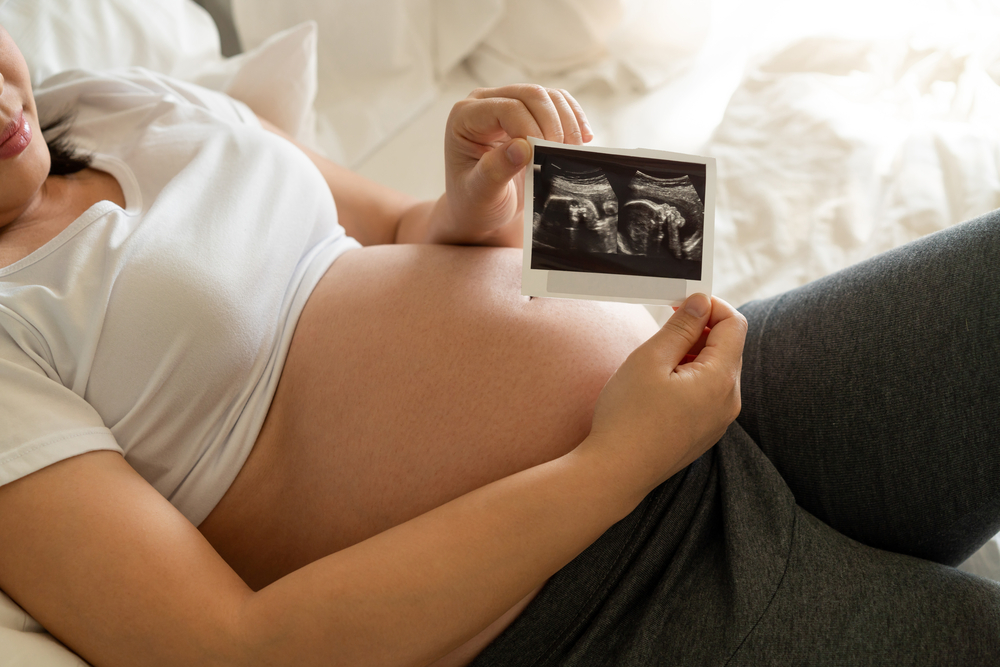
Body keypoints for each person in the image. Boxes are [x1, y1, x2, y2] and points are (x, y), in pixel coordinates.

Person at [0, 22, 997, 667]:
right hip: (599, 602)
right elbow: (225, 649)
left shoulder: (108, 99)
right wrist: (617, 459)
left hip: (716, 386)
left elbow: (388, 234)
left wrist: (476, 191)